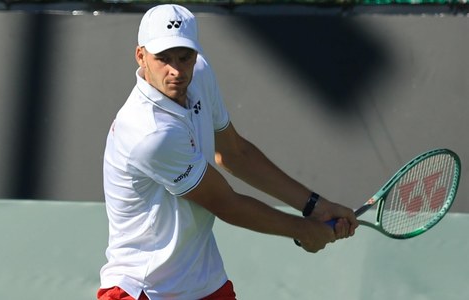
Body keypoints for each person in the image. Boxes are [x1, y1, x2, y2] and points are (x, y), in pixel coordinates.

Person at [98, 4, 358, 300]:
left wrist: (316, 207)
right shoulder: (151, 132)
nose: (176, 70)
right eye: (163, 59)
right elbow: (226, 203)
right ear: (140, 56)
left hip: (203, 282)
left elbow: (234, 154)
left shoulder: (199, 74)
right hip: (142, 289)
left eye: (184, 57)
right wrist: (304, 230)